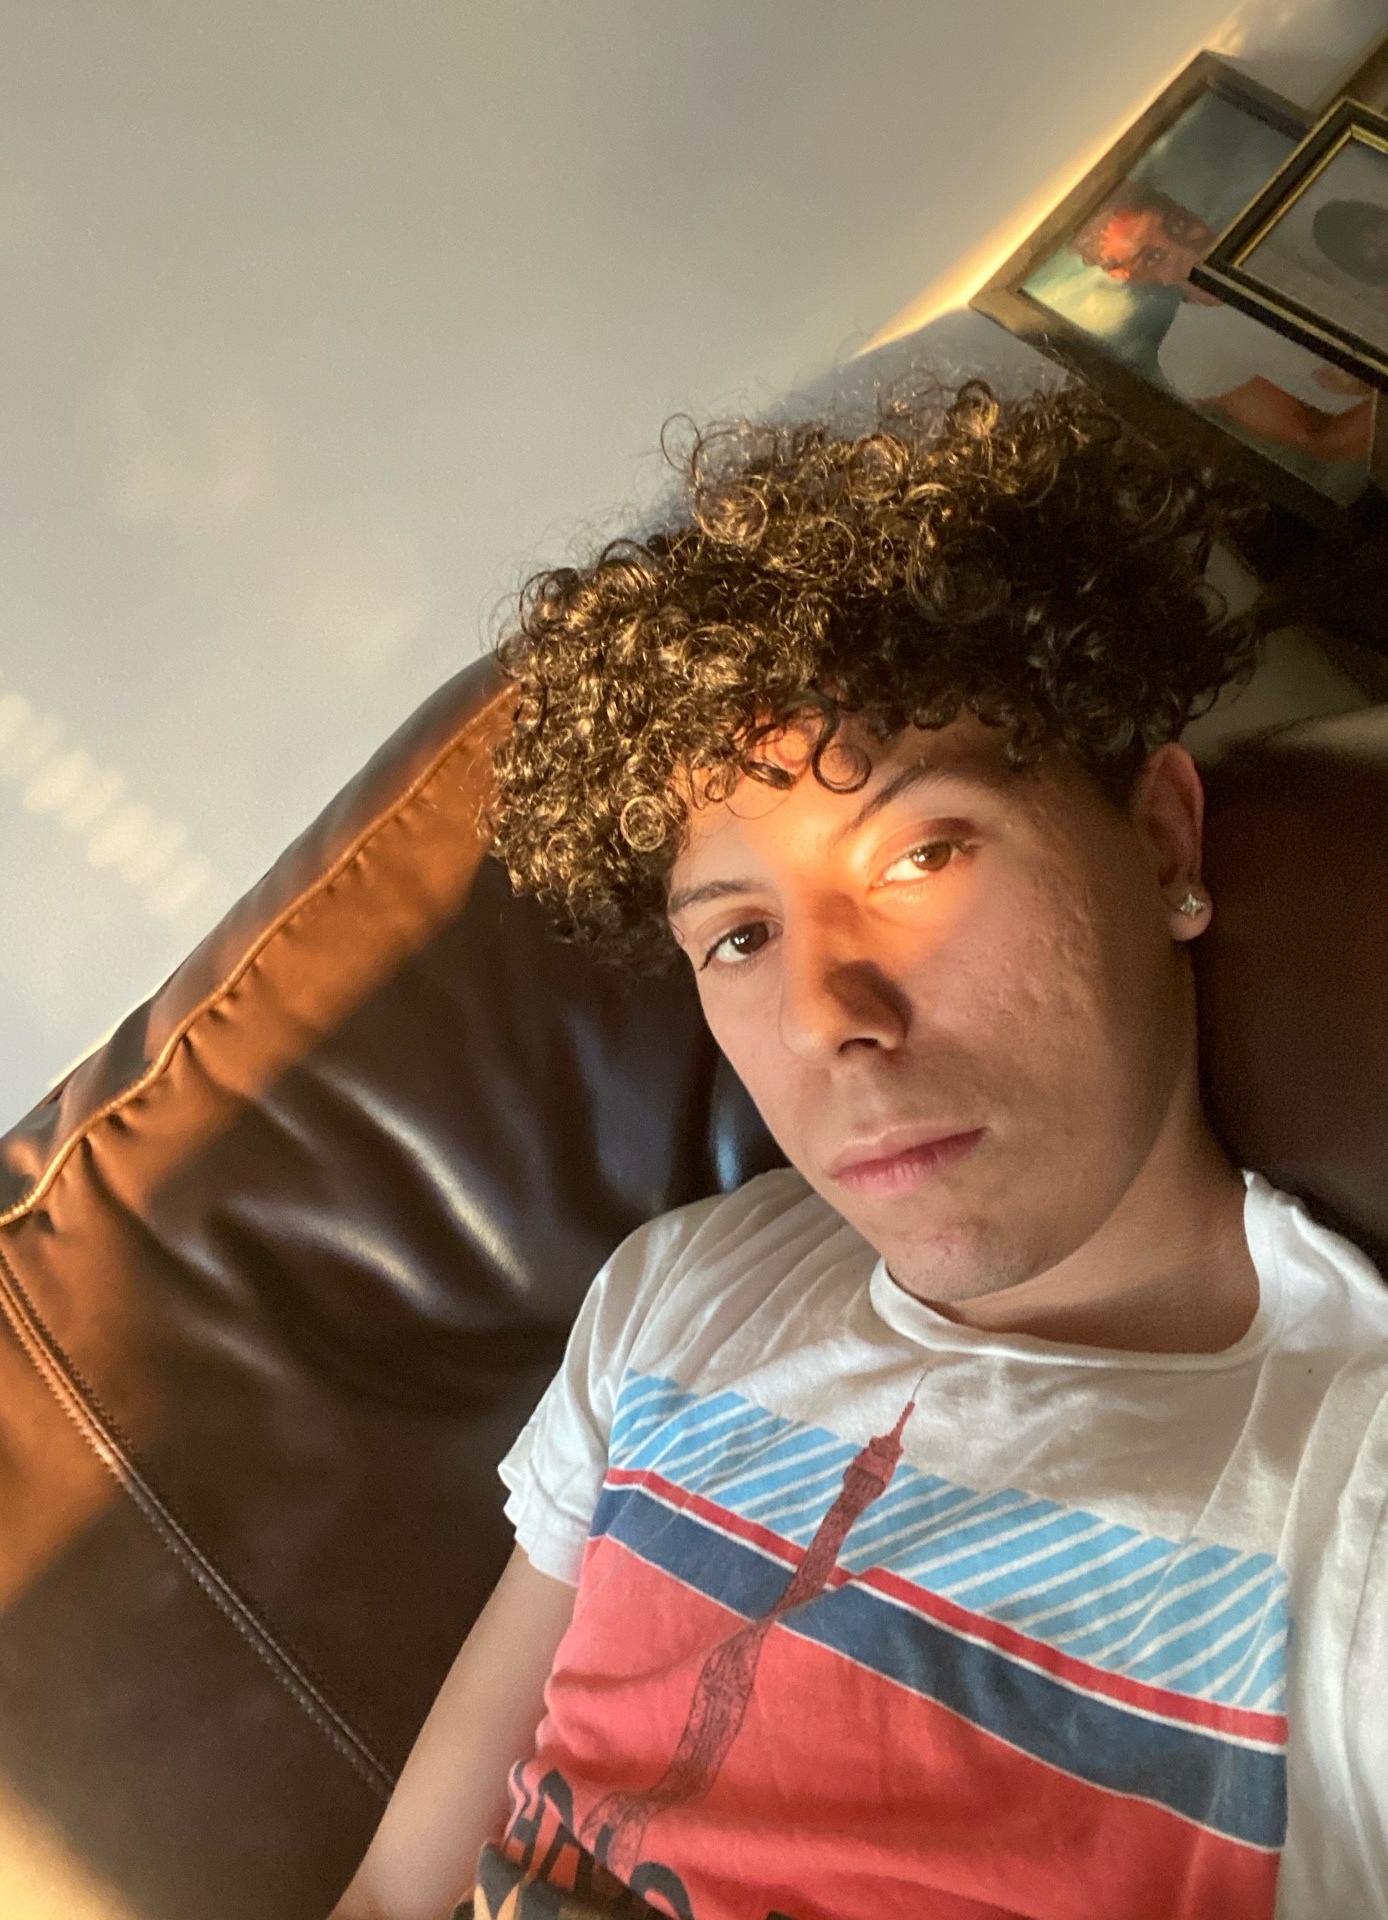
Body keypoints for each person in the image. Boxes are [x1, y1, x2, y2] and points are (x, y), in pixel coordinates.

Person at [330, 383, 1388, 1920]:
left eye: (921, 854)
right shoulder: (683, 1293)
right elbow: (394, 1896)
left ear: (1161, 838)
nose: (830, 1018)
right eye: (740, 934)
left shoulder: (1350, 1497)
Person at [1073, 181, 1373, 462]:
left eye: (1177, 225)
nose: (1185, 250)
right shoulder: (1190, 353)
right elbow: (1322, 439)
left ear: (1178, 205)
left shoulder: (1277, 227)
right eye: (1153, 257)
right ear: (1126, 275)